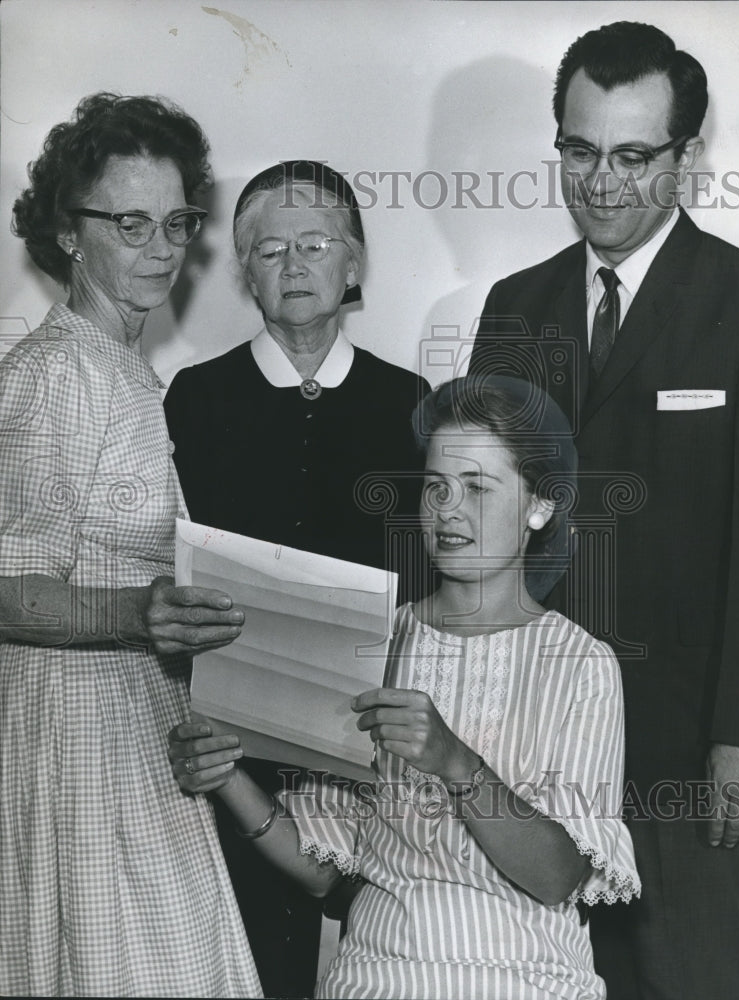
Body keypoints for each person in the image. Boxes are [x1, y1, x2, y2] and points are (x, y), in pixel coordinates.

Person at [168, 375, 641, 1000]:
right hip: (376, 977)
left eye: (477, 488)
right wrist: (227, 777)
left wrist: (457, 763)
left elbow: (557, 877)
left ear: (540, 506)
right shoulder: (374, 639)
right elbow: (322, 872)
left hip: (528, 979)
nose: (448, 510)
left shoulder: (582, 664)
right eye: (437, 487)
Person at [469, 21, 739, 1000]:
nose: (599, 182)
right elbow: (479, 534)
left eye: (632, 156)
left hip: (685, 754)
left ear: (684, 158)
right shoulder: (513, 309)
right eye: (578, 150)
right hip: (531, 747)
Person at [0, 93, 261, 998]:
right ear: (69, 234)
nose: (161, 247)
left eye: (177, 221)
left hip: (138, 720)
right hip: (76, 738)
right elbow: (6, 591)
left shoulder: (118, 367)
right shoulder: (60, 372)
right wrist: (141, 612)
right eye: (130, 223)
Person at [163, 159, 430, 998]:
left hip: (367, 738)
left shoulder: (406, 399)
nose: (294, 264)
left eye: (315, 244)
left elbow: (421, 580)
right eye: (268, 249)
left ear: (353, 264)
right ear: (245, 273)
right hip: (234, 738)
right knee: (251, 961)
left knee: (377, 950)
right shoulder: (198, 398)